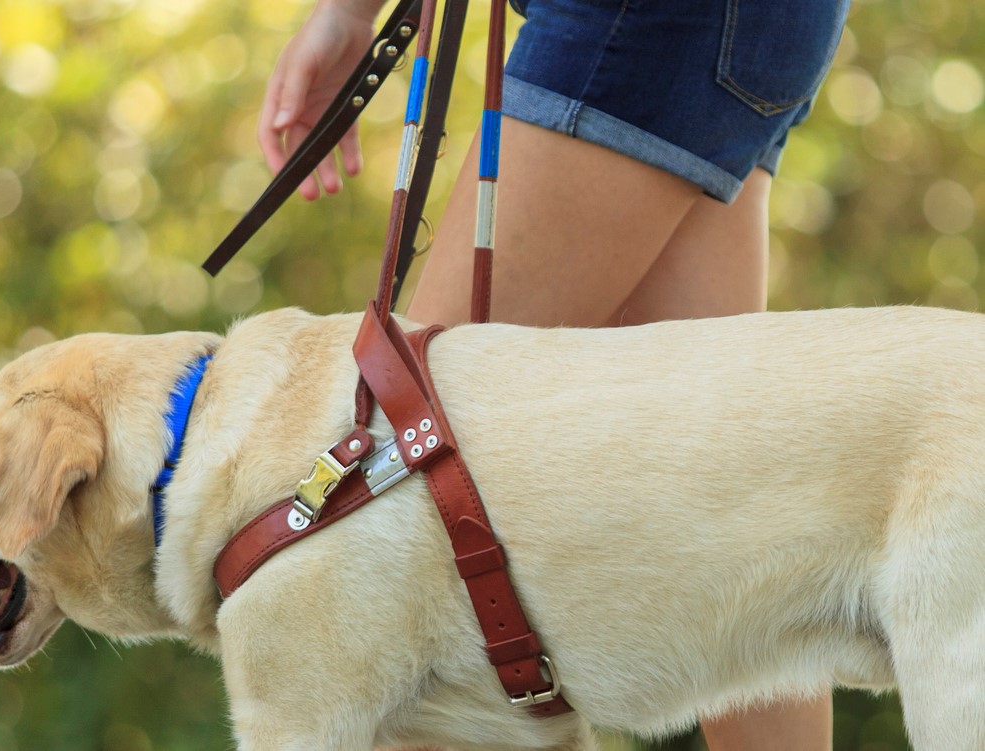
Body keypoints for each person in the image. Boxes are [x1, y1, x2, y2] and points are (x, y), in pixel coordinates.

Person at [257, 0, 850, 747]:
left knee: (395, 509)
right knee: (732, 536)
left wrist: (347, 12)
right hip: (737, 29)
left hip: (640, 27)